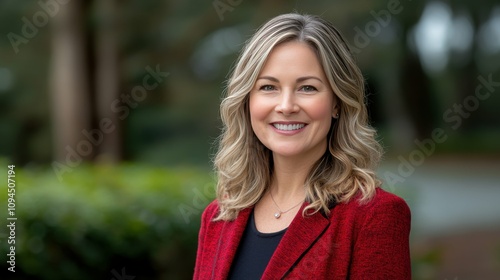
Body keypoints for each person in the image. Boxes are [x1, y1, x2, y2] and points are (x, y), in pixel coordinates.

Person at [194, 13, 411, 280]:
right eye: (268, 87)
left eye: (307, 88)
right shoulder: (218, 216)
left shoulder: (374, 216)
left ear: (337, 102)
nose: (286, 106)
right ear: (247, 100)